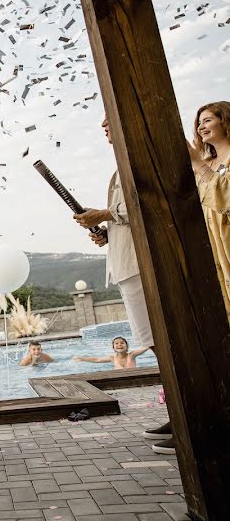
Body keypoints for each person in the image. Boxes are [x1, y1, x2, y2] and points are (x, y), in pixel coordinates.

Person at [74, 115, 171, 452]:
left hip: (141, 264)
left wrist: (103, 214)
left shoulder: (140, 156)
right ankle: (184, 412)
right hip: (128, 263)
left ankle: (191, 415)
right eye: (100, 123)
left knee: (163, 343)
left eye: (109, 121)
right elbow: (125, 214)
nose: (103, 127)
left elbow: (145, 200)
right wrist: (106, 232)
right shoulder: (120, 164)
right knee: (157, 344)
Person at [187, 101, 230, 316]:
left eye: (207, 120)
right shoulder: (206, 161)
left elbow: (227, 196)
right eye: (199, 123)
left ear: (225, 121)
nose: (201, 127)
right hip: (211, 240)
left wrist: (197, 162)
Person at [72, 336, 150, 369]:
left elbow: (145, 347)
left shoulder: (132, 355)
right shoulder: (112, 358)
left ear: (127, 347)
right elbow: (97, 359)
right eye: (116, 343)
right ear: (113, 348)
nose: (119, 345)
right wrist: (81, 358)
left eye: (122, 343)